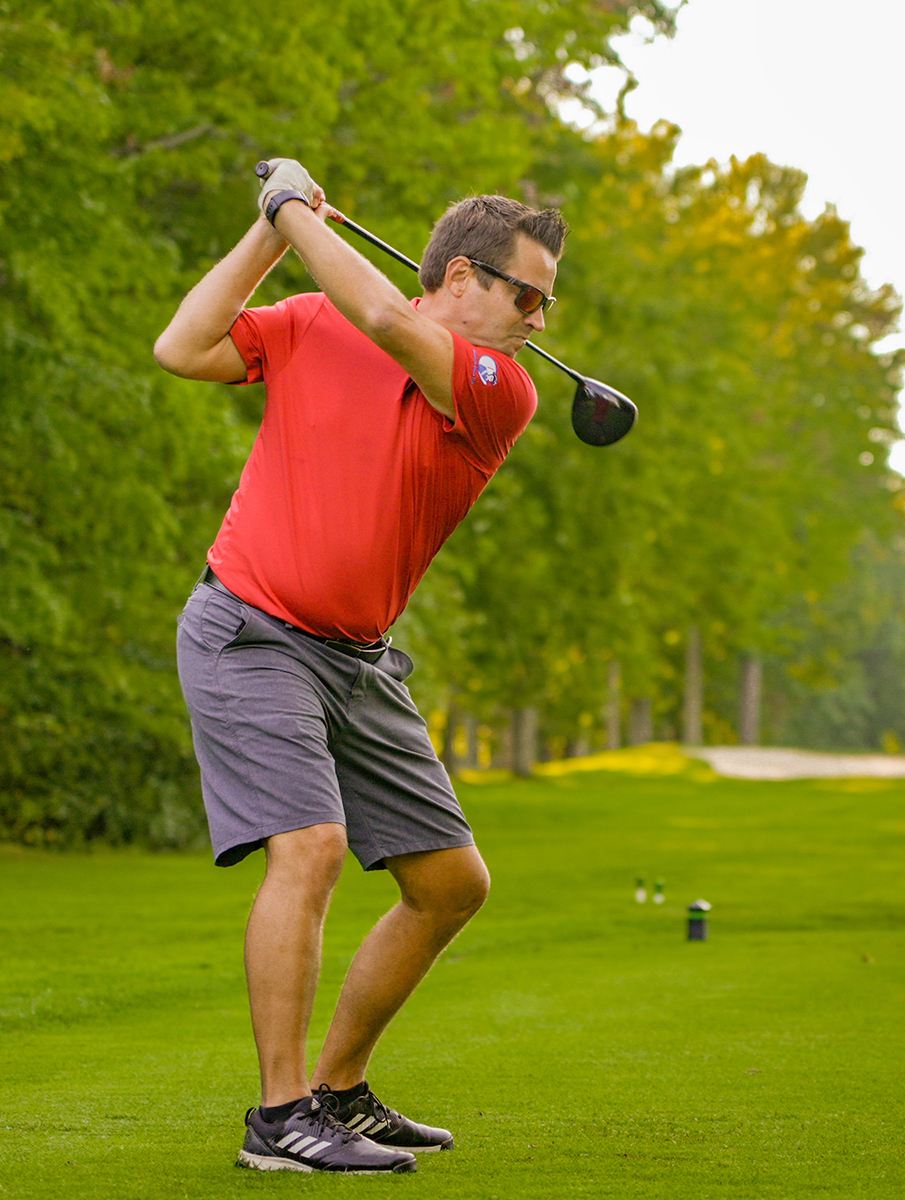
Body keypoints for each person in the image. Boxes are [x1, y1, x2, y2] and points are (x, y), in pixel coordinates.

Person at [152, 158, 563, 1174]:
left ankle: (340, 1091)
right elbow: (181, 346)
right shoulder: (309, 321)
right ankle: (280, 1119)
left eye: (548, 304)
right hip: (251, 631)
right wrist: (271, 230)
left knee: (451, 883)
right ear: (461, 276)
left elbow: (383, 316)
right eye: (528, 296)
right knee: (311, 848)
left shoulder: (499, 389)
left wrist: (293, 209)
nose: (539, 320)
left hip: (359, 661)